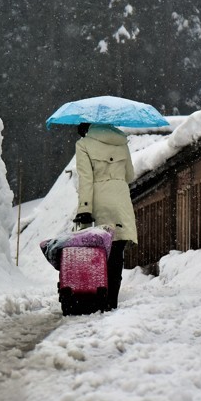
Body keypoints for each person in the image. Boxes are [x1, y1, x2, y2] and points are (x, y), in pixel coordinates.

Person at [73, 122, 138, 310]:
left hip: (99, 199)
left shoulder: (83, 145)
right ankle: (112, 301)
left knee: (99, 252)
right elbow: (130, 175)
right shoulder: (121, 141)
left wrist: (84, 209)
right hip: (121, 199)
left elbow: (86, 179)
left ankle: (99, 300)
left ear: (84, 127)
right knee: (117, 251)